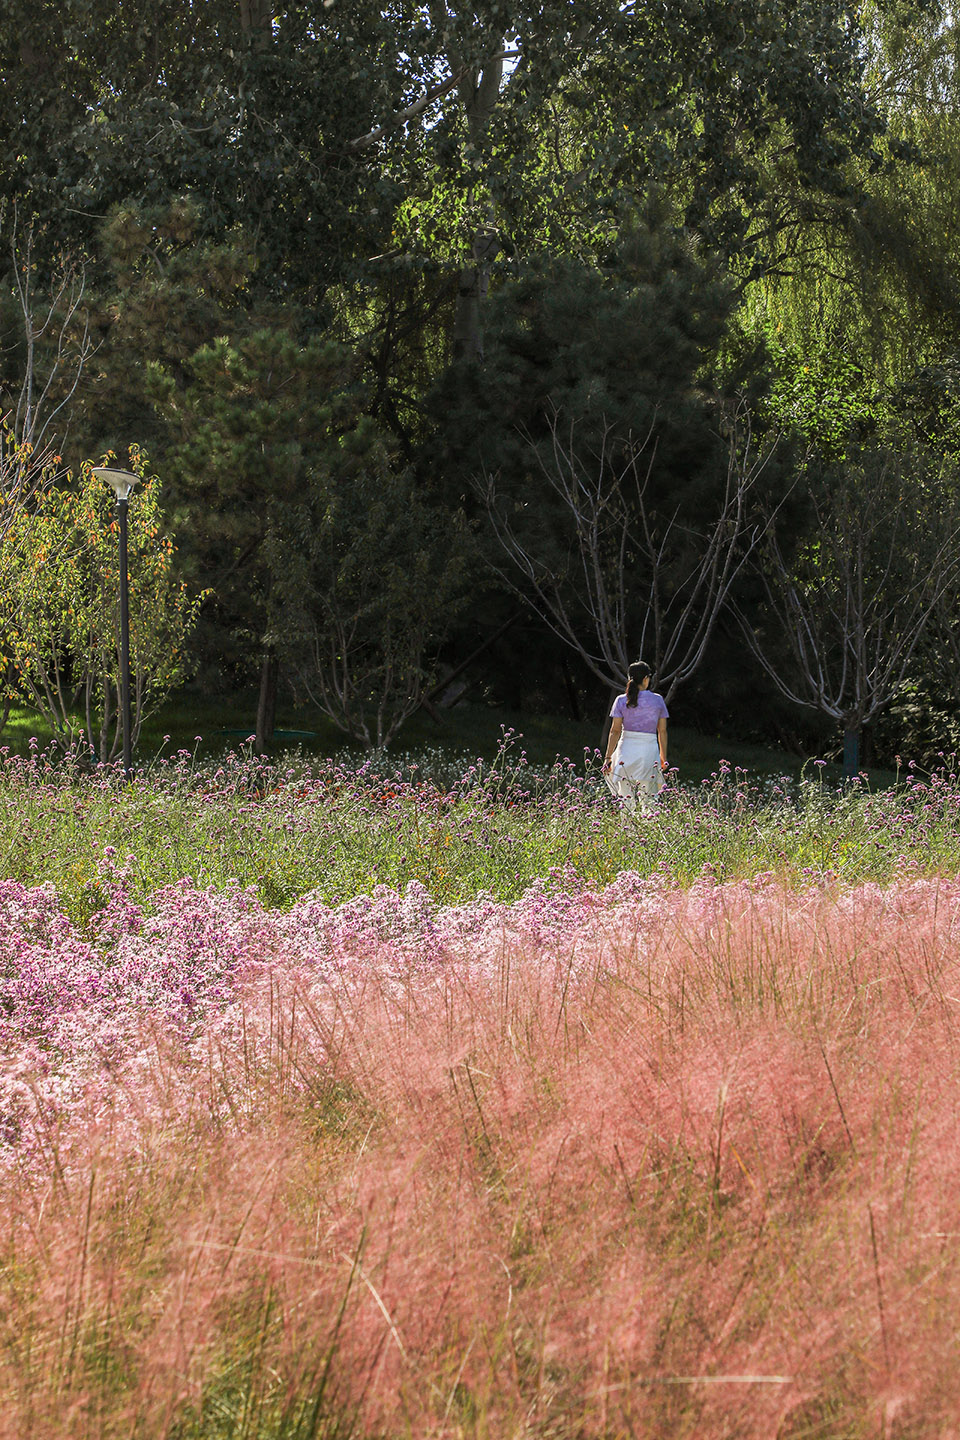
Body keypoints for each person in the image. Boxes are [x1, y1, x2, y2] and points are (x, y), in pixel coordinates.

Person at [602, 660, 669, 817]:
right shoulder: (658, 700)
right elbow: (663, 731)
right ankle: (649, 833)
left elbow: (615, 731)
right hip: (649, 751)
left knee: (626, 800)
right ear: (646, 678)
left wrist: (608, 757)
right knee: (650, 799)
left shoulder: (620, 700)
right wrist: (663, 757)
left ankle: (627, 832)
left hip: (626, 751)